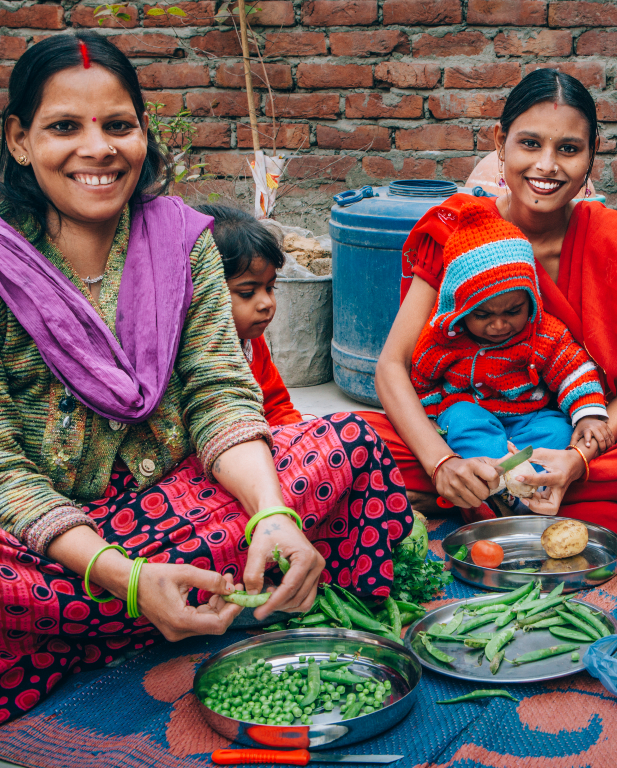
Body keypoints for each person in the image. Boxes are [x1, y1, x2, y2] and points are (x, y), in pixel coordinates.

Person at [0, 32, 411, 723]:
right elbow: (4, 465)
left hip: (185, 501)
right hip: (53, 538)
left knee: (354, 440)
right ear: (18, 140)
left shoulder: (182, 243)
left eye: (119, 126)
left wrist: (274, 514)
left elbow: (221, 395)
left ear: (143, 133)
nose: (97, 149)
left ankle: (121, 622)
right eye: (65, 127)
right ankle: (157, 606)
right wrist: (125, 579)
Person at [362, 69, 617, 536]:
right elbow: (392, 367)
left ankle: (482, 498)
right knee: (355, 437)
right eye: (529, 144)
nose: (547, 166)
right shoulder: (459, 232)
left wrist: (576, 460)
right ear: (500, 142)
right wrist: (440, 462)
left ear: (592, 153)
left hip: (559, 433)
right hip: (462, 434)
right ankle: (477, 488)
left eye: (568, 149)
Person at [410, 200, 611, 510]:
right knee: (462, 420)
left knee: (558, 428)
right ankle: (492, 480)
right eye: (483, 315)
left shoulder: (543, 334)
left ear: (531, 299)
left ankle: (525, 484)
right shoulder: (443, 340)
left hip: (528, 416)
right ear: (459, 308)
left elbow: (575, 370)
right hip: (472, 413)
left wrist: (590, 416)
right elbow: (422, 383)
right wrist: (434, 424)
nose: (500, 324)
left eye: (514, 311)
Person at [196, 203, 302, 427]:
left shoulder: (253, 343)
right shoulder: (193, 358)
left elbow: (275, 404)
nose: (266, 303)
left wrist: (297, 436)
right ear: (203, 291)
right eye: (247, 293)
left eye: (270, 287)